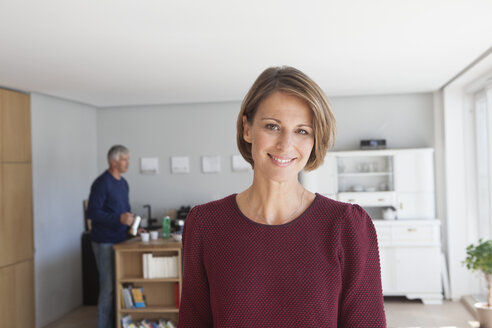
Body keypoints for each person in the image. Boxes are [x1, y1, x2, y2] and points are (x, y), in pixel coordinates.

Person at [178, 66, 386, 327]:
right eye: (272, 126)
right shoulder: (206, 224)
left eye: (302, 131)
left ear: (314, 140)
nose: (285, 145)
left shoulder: (347, 226)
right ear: (247, 129)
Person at [88, 145, 134, 328]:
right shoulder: (101, 183)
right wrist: (118, 218)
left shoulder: (123, 183)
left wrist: (134, 227)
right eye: (124, 159)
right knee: (107, 289)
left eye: (128, 159)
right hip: (104, 241)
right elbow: (92, 213)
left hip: (121, 239)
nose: (128, 163)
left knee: (119, 285)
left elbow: (125, 212)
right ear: (112, 161)